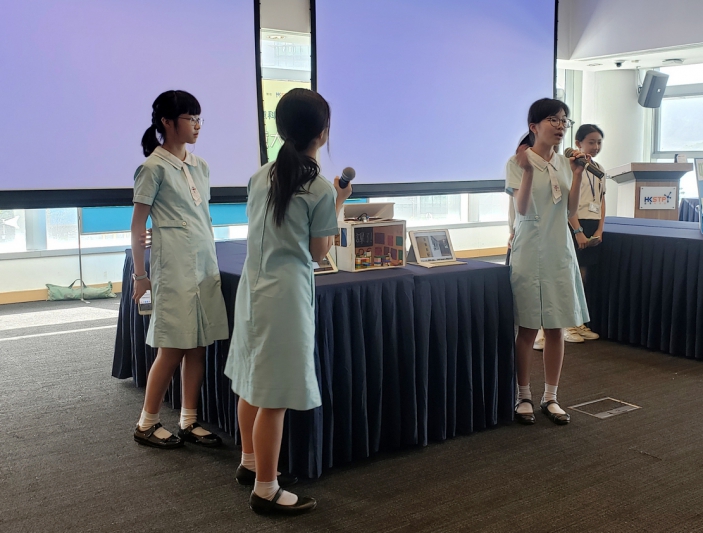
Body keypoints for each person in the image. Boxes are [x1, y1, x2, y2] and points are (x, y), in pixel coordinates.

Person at [224, 88, 352, 515]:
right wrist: (338, 203)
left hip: (253, 288)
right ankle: (266, 489)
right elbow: (318, 252)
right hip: (286, 296)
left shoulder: (261, 175)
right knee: (274, 394)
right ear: (322, 132)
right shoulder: (318, 188)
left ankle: (250, 464)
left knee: (252, 381)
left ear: (280, 130)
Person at [131, 90, 229, 449]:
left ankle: (188, 420)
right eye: (190, 118)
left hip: (203, 265)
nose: (197, 125)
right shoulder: (153, 167)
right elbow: (137, 226)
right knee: (172, 348)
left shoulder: (200, 166)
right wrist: (140, 276)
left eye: (199, 118)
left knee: (198, 346)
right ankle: (146, 423)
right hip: (173, 268)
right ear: (167, 122)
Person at [506, 98, 590, 426]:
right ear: (534, 126)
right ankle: (523, 395)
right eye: (553, 120)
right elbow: (523, 208)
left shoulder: (564, 163)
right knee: (528, 327)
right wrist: (528, 171)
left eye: (564, 120)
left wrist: (578, 174)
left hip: (559, 250)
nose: (561, 125)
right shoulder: (517, 162)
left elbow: (570, 210)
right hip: (529, 250)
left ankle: (551, 397)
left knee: (556, 327)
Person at [566, 124, 606, 342]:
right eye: (591, 142)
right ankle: (567, 325)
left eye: (599, 142)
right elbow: (567, 202)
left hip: (592, 224)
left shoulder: (598, 168)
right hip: (575, 224)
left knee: (583, 276)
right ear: (578, 143)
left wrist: (600, 228)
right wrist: (578, 231)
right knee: (570, 275)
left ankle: (578, 321)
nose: (596, 146)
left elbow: (601, 200)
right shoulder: (571, 166)